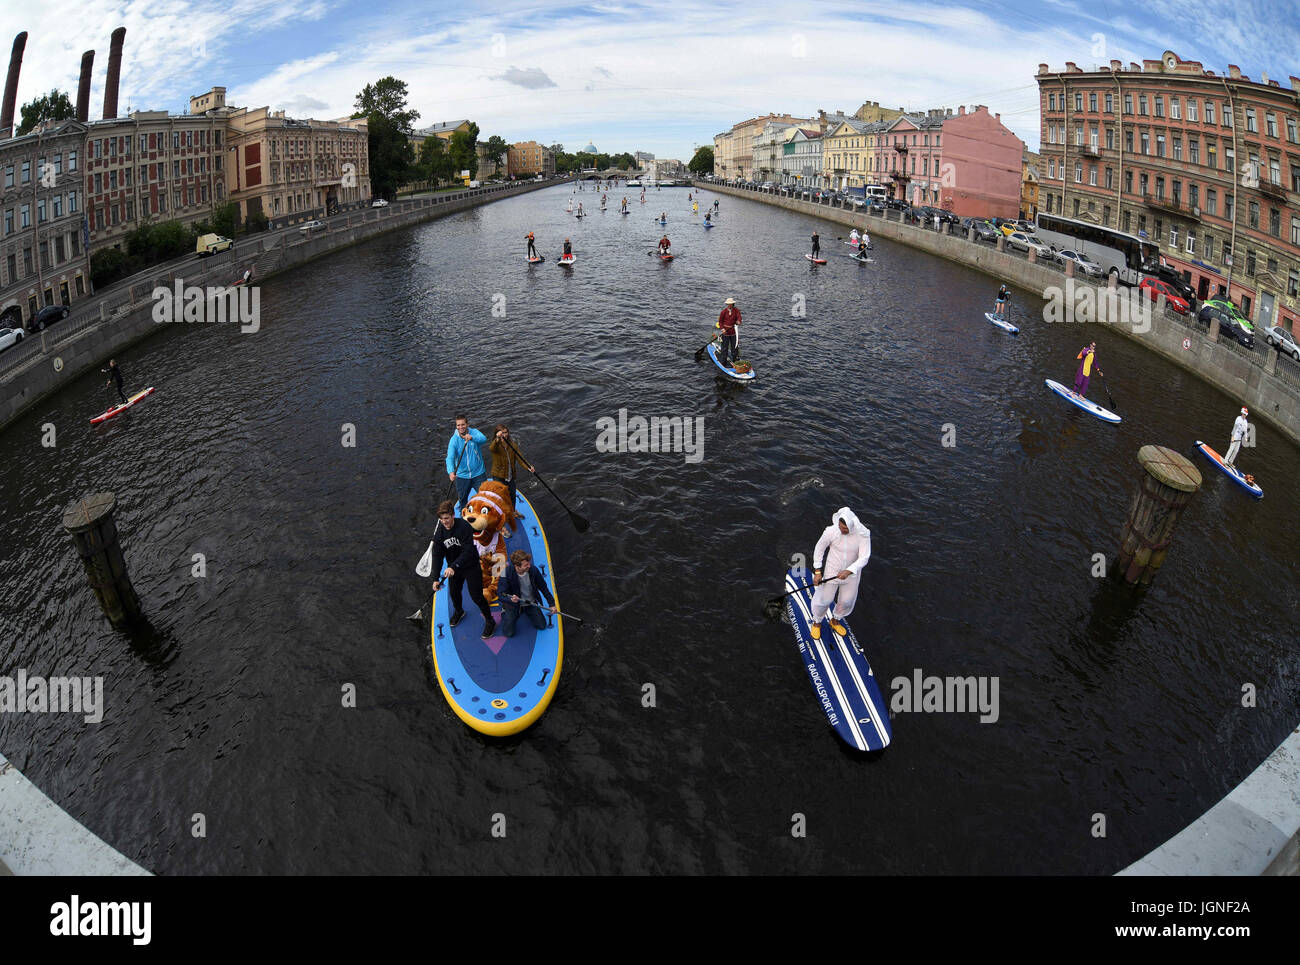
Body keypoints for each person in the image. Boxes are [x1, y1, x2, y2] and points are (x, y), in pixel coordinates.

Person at [431, 500, 496, 639]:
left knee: (476, 596)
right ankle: (459, 611)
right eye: (441, 519)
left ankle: (490, 621)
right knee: (454, 593)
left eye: (447, 518)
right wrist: (435, 578)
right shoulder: (440, 533)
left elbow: (467, 551)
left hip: (470, 565)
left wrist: (453, 566)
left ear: (453, 515)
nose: (444, 522)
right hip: (454, 568)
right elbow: (437, 555)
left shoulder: (464, 526)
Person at [809, 508, 872, 640]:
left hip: (851, 575)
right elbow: (819, 548)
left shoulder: (863, 535)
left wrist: (849, 571)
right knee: (825, 600)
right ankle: (817, 622)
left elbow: (864, 557)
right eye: (840, 527)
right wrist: (818, 571)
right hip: (832, 571)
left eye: (845, 528)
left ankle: (835, 620)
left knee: (846, 601)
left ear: (851, 526)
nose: (842, 530)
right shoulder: (831, 531)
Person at [500, 550, 557, 638]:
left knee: (541, 626)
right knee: (508, 633)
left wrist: (551, 604)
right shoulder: (505, 573)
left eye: (528, 563)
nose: (529, 566)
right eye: (526, 565)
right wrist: (510, 599)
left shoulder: (533, 570)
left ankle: (524, 610)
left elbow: (543, 587)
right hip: (513, 604)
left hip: (530, 602)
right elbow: (500, 593)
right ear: (517, 566)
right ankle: (505, 611)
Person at [488, 424, 534, 533]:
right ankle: (500, 525)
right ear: (497, 435)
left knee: (512, 495)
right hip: (499, 476)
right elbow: (492, 448)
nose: (505, 434)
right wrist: (498, 439)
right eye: (502, 433)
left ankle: (512, 512)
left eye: (505, 432)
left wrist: (529, 467)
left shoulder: (513, 445)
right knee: (500, 500)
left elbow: (520, 458)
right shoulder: (496, 445)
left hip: (510, 476)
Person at [446, 415, 488, 507]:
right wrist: (451, 472)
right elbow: (450, 458)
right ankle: (463, 516)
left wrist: (472, 438)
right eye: (458, 425)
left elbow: (484, 439)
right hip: (462, 476)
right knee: (463, 499)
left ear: (467, 424)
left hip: (478, 473)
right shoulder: (454, 440)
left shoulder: (474, 432)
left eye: (463, 424)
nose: (461, 427)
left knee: (485, 498)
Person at [715, 297, 741, 368]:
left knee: (734, 347)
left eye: (730, 304)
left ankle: (735, 362)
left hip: (733, 332)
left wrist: (738, 321)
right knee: (724, 348)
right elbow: (720, 322)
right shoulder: (723, 312)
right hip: (725, 332)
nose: (729, 305)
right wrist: (722, 329)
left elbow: (739, 318)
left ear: (733, 304)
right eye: (728, 304)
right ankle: (723, 363)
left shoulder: (736, 311)